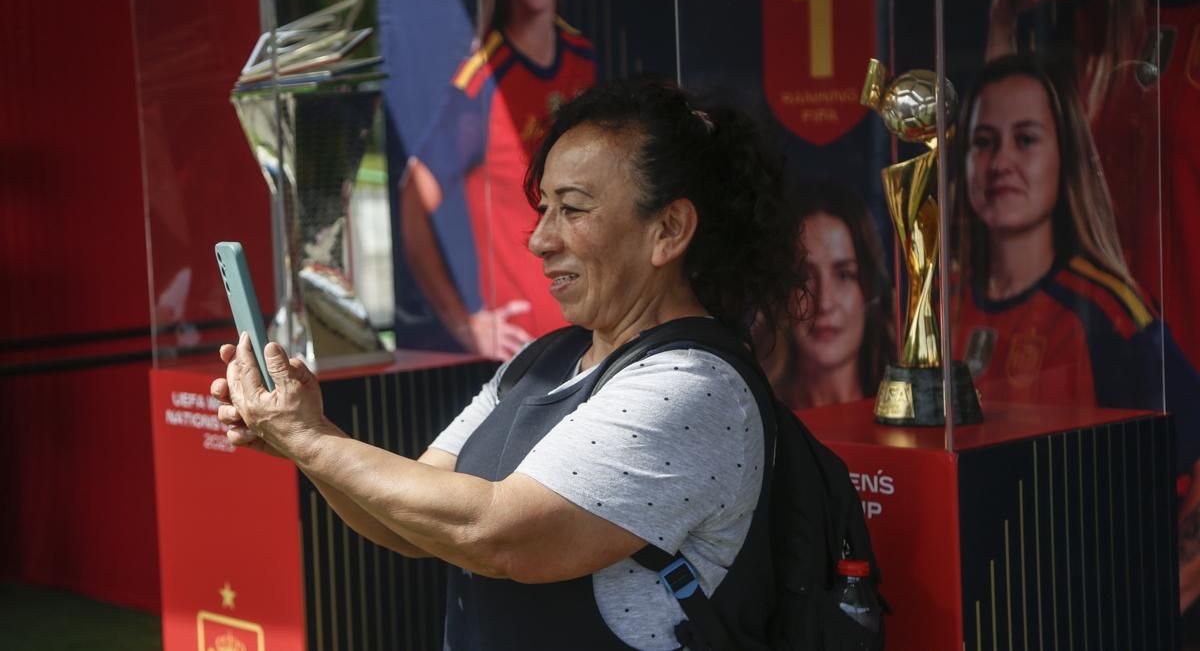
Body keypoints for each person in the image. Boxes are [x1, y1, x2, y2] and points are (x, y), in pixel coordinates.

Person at [212, 80, 807, 650]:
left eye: (572, 209)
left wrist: (309, 440)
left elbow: (497, 535)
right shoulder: (541, 360)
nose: (539, 240)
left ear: (669, 229)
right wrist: (304, 438)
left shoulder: (693, 386)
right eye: (543, 207)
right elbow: (410, 526)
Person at [950, 53, 1200, 461]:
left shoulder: (1109, 313)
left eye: (1026, 139)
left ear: (1065, 156)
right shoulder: (939, 303)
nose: (1000, 163)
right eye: (983, 142)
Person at [399, 0, 596, 360]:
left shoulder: (581, 54)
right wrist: (464, 323)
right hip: (524, 348)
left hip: (589, 330)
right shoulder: (484, 76)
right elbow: (413, 199)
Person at [758, 182, 895, 410]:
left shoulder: (904, 415)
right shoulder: (757, 416)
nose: (824, 303)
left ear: (869, 291)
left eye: (844, 275)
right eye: (804, 277)